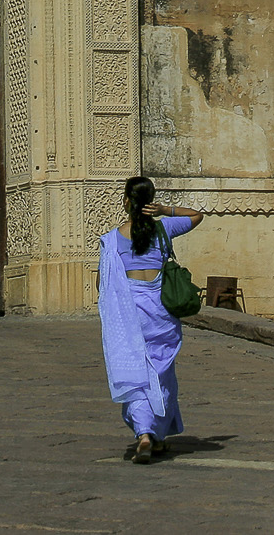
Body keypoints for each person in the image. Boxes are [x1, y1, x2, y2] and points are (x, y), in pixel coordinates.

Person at [97, 175, 204, 463]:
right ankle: (154, 435)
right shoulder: (163, 229)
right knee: (161, 371)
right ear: (150, 202)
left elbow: (103, 284)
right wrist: (164, 210)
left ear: (125, 202)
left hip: (129, 315)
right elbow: (196, 215)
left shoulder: (111, 239)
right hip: (161, 313)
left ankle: (145, 434)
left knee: (135, 372)